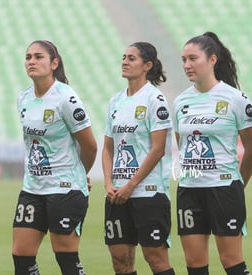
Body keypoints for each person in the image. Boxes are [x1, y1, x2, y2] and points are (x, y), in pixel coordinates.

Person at [173, 31, 252, 275]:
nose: (187, 65)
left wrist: (236, 184)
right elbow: (182, 144)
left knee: (231, 261)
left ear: (212, 59)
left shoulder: (235, 99)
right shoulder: (180, 102)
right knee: (194, 263)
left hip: (224, 189)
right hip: (189, 190)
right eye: (184, 59)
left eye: (193, 58)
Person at [12, 40, 97, 275]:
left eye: (38, 57)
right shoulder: (24, 98)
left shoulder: (66, 99)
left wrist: (79, 174)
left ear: (54, 63)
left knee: (66, 260)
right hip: (33, 189)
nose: (31, 61)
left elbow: (89, 146)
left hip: (64, 190)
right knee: (21, 256)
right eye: (28, 57)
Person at [102, 42, 175, 275]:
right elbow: (107, 147)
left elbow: (158, 149)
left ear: (147, 65)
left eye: (131, 58)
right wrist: (109, 184)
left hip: (148, 193)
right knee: (120, 261)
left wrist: (131, 185)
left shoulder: (155, 99)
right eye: (124, 57)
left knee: (156, 260)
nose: (124, 61)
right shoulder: (115, 101)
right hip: (117, 195)